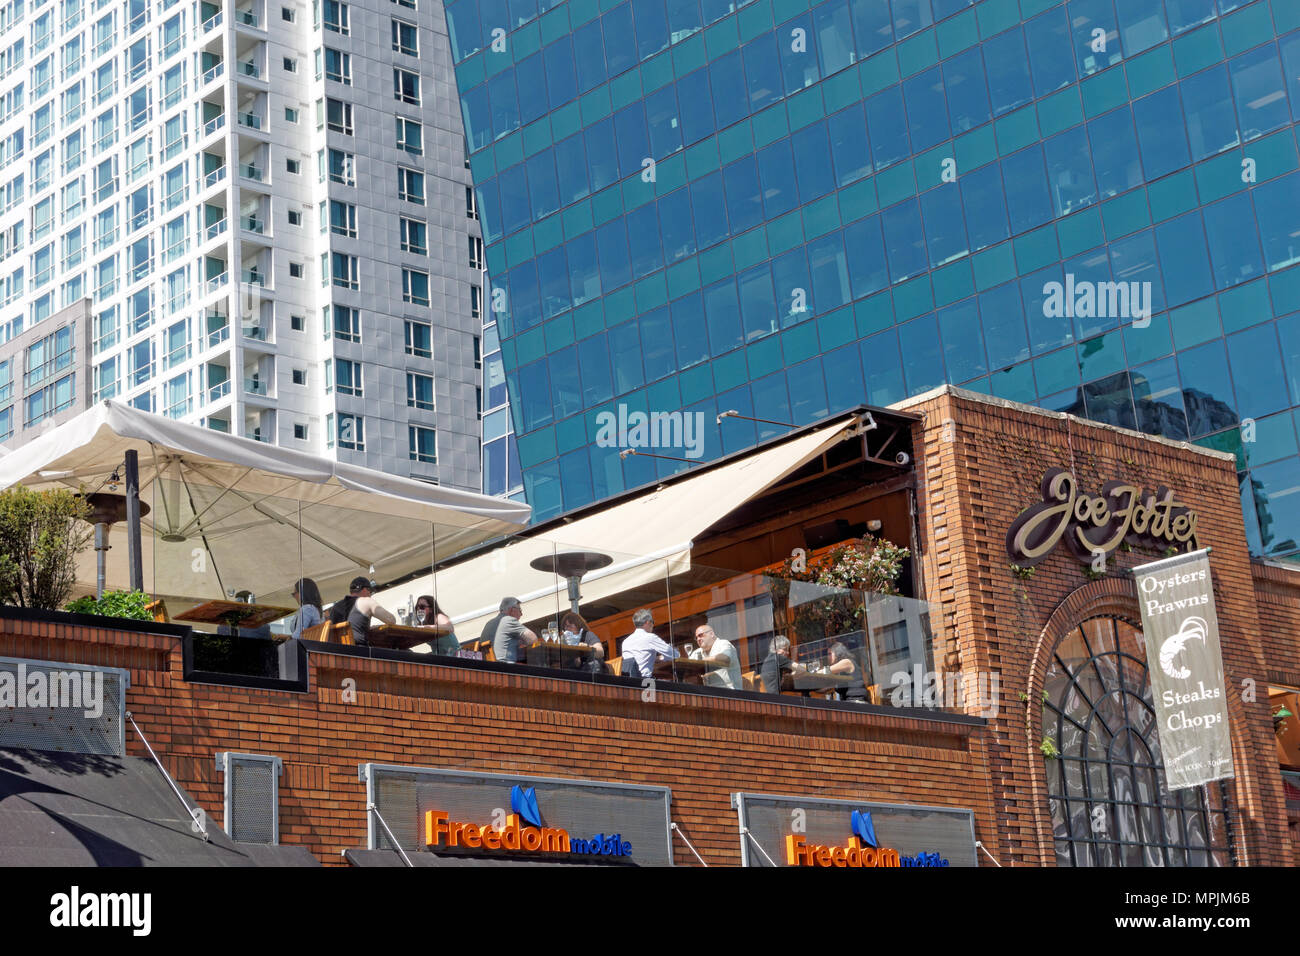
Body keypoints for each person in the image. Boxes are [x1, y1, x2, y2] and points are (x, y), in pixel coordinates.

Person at [331, 576, 395, 646]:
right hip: (360, 652)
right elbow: (391, 620)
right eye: (370, 591)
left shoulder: (336, 607)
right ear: (365, 590)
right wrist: (376, 627)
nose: (370, 595)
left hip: (337, 652)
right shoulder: (366, 601)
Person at [620, 609, 677, 679]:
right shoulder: (650, 637)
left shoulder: (625, 642)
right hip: (645, 682)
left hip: (629, 683)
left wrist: (656, 658)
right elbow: (674, 655)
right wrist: (663, 657)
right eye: (653, 622)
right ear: (648, 622)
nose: (653, 625)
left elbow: (637, 659)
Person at [482, 596, 539, 663]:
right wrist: (524, 643)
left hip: (489, 668)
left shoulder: (488, 623)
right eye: (520, 610)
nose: (521, 614)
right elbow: (533, 639)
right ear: (512, 610)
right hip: (507, 667)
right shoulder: (508, 620)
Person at [692, 624, 741, 691]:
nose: (698, 639)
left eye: (701, 635)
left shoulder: (723, 644)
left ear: (711, 634)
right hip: (709, 695)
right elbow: (690, 668)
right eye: (696, 638)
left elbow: (725, 658)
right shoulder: (696, 653)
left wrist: (702, 661)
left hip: (731, 694)